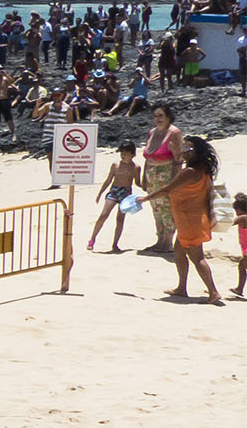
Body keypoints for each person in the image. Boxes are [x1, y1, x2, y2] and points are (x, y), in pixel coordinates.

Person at [132, 135, 226, 305]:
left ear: (197, 152)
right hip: (193, 219)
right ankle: (181, 288)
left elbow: (168, 188)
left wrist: (146, 198)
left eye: (188, 149)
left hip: (190, 220)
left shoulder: (189, 172)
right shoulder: (204, 168)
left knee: (197, 257)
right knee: (178, 252)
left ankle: (213, 292)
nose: (185, 152)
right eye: (184, 148)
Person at [137, 106, 185, 256]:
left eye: (161, 116)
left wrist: (174, 182)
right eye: (155, 116)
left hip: (166, 174)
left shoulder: (174, 133)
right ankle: (160, 240)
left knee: (167, 209)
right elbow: (147, 158)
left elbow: (178, 160)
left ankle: (168, 242)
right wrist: (144, 178)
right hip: (151, 175)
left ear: (168, 117)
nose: (158, 119)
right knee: (156, 208)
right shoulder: (151, 132)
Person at [87, 143, 142, 252]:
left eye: (125, 153)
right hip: (114, 191)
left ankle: (115, 244)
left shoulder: (136, 167)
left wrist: (147, 188)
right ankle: (92, 239)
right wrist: (100, 193)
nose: (123, 155)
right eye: (121, 152)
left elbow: (137, 182)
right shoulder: (115, 165)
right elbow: (108, 180)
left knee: (120, 219)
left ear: (132, 154)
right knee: (104, 215)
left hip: (126, 193)